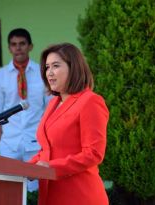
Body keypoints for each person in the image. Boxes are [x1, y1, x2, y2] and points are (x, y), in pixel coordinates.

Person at [29, 43, 109, 205]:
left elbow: (93, 153)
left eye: (56, 66)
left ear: (74, 68)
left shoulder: (90, 101)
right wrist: (24, 168)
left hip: (79, 195)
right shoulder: (53, 103)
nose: (49, 73)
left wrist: (51, 168)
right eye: (47, 67)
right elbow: (47, 149)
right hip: (50, 193)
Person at [0, 28, 50, 191]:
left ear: (30, 46)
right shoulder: (1, 75)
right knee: (9, 190)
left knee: (36, 189)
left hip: (36, 142)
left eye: (22, 44)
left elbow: (51, 109)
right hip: (9, 142)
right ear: (9, 48)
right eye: (14, 44)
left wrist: (47, 142)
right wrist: (1, 140)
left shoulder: (43, 72)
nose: (18, 48)